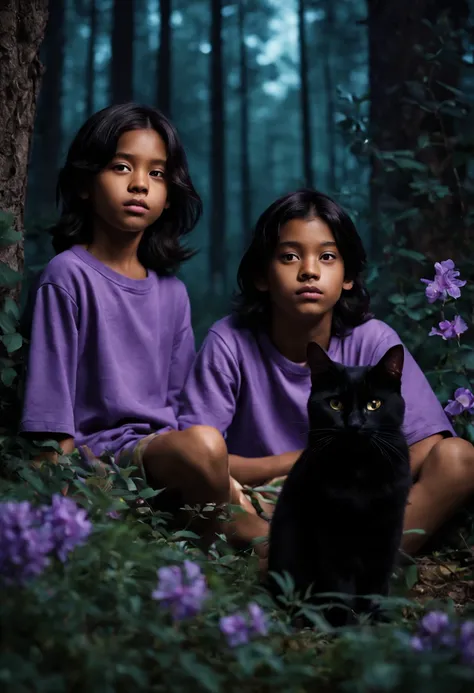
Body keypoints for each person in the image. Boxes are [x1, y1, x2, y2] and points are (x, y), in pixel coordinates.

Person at [178, 189, 474, 556]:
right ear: (261, 276)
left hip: (359, 502)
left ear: (347, 275)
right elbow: (196, 456)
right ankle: (280, 562)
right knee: (217, 489)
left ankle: (376, 565)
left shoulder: (373, 340)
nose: (309, 271)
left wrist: (339, 473)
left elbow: (428, 443)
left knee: (459, 457)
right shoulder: (229, 342)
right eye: (289, 256)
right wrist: (290, 465)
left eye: (328, 257)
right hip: (261, 501)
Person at [20, 102, 261, 551]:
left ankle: (257, 554)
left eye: (156, 173)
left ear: (170, 193)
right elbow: (51, 419)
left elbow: (179, 408)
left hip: (166, 458)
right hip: (103, 463)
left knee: (217, 465)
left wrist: (218, 478)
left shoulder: (172, 293)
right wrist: (67, 502)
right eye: (121, 167)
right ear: (86, 183)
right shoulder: (67, 276)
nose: (138, 185)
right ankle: (224, 557)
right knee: (209, 452)